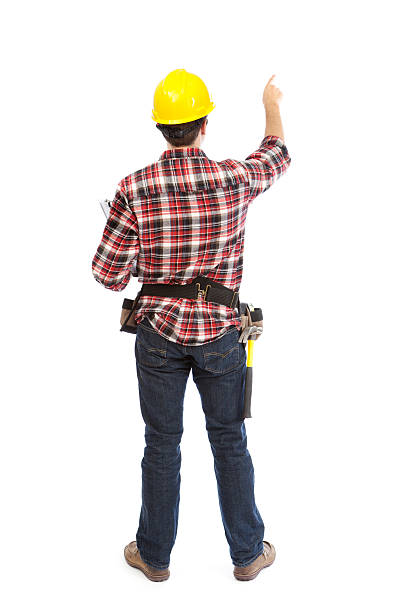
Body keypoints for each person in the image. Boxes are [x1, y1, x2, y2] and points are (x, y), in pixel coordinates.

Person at [92, 69, 291, 581]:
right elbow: (277, 155)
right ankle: (247, 555)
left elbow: (106, 274)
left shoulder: (133, 188)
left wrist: (144, 260)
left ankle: (154, 558)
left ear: (160, 127)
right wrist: (270, 102)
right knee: (229, 439)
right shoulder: (233, 178)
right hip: (222, 335)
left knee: (161, 443)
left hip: (157, 336)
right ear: (204, 123)